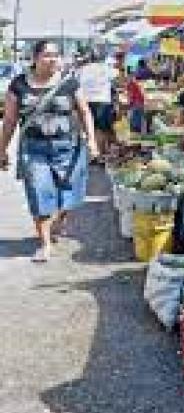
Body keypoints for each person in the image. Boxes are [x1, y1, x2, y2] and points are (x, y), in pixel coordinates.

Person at [0, 40, 99, 262]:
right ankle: (44, 243)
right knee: (38, 192)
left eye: (56, 55)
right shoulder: (18, 85)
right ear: (35, 58)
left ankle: (60, 219)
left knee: (69, 193)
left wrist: (92, 140)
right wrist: (2, 149)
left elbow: (84, 112)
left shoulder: (69, 83)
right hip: (34, 149)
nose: (53, 59)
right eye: (47, 55)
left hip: (68, 147)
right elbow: (9, 120)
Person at [77, 54, 118, 157]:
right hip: (102, 101)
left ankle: (90, 152)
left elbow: (76, 83)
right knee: (100, 129)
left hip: (86, 101)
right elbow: (118, 77)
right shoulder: (107, 68)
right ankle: (98, 153)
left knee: (89, 127)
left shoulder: (82, 69)